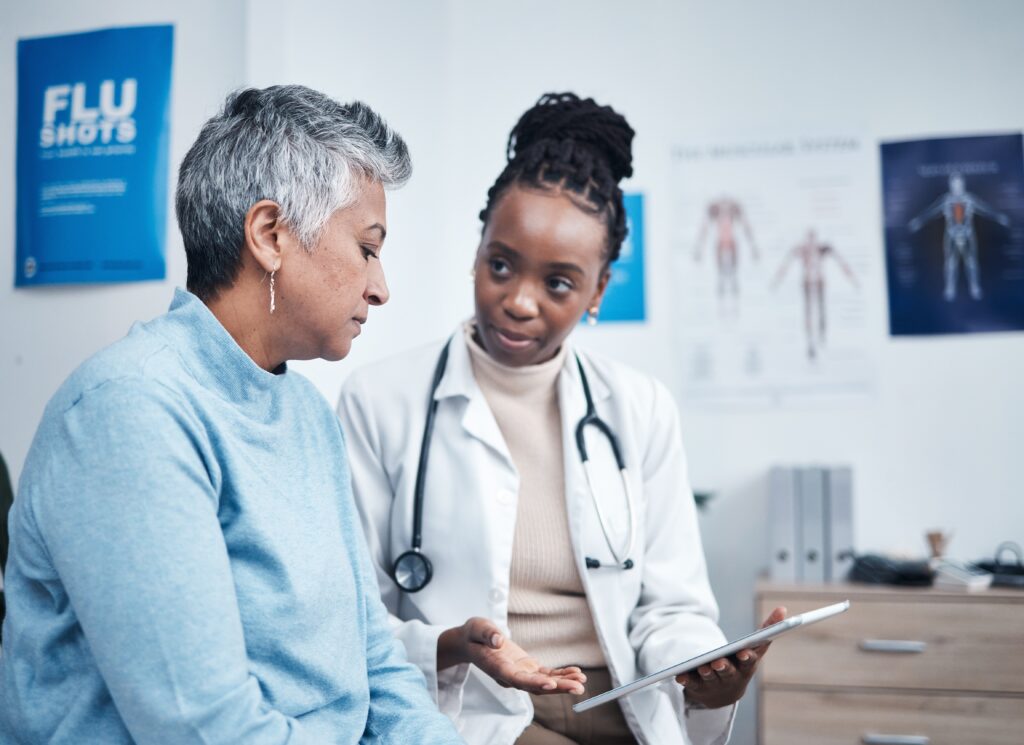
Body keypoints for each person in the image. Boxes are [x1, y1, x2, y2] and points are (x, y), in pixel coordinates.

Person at [0, 85, 462, 745]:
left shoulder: (304, 411)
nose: (380, 287)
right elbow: (202, 726)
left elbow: (373, 660)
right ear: (270, 235)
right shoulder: (129, 411)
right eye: (367, 247)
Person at [338, 92, 784, 745]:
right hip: (476, 706)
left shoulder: (639, 407)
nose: (518, 301)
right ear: (478, 249)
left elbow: (674, 606)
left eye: (558, 283)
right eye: (500, 265)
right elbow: (357, 617)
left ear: (598, 290)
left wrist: (701, 667)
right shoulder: (380, 401)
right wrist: (451, 642)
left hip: (623, 702)